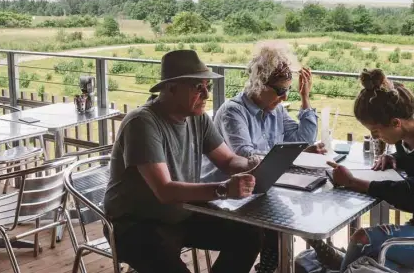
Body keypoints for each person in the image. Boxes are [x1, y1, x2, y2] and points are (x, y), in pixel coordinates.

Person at [104, 50, 263, 273]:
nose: (206, 94)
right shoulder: (142, 123)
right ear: (171, 88)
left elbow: (227, 160)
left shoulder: (198, 118)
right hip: (135, 224)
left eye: (208, 86)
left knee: (250, 234)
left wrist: (253, 164)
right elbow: (165, 191)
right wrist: (223, 189)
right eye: (199, 87)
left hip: (181, 214)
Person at [202, 44, 335, 273]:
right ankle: (287, 258)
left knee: (283, 206)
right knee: (280, 214)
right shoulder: (233, 111)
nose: (284, 98)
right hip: (225, 193)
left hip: (258, 189)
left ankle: (269, 266)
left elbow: (302, 139)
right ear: (259, 83)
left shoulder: (276, 110)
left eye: (288, 91)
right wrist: (294, 156)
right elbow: (246, 157)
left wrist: (305, 98)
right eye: (280, 91)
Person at [327, 69, 414, 273]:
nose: (375, 137)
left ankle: (339, 265)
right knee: (372, 263)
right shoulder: (405, 139)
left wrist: (353, 182)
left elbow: (410, 194)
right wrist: (394, 158)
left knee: (362, 240)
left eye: (375, 131)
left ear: (396, 123)